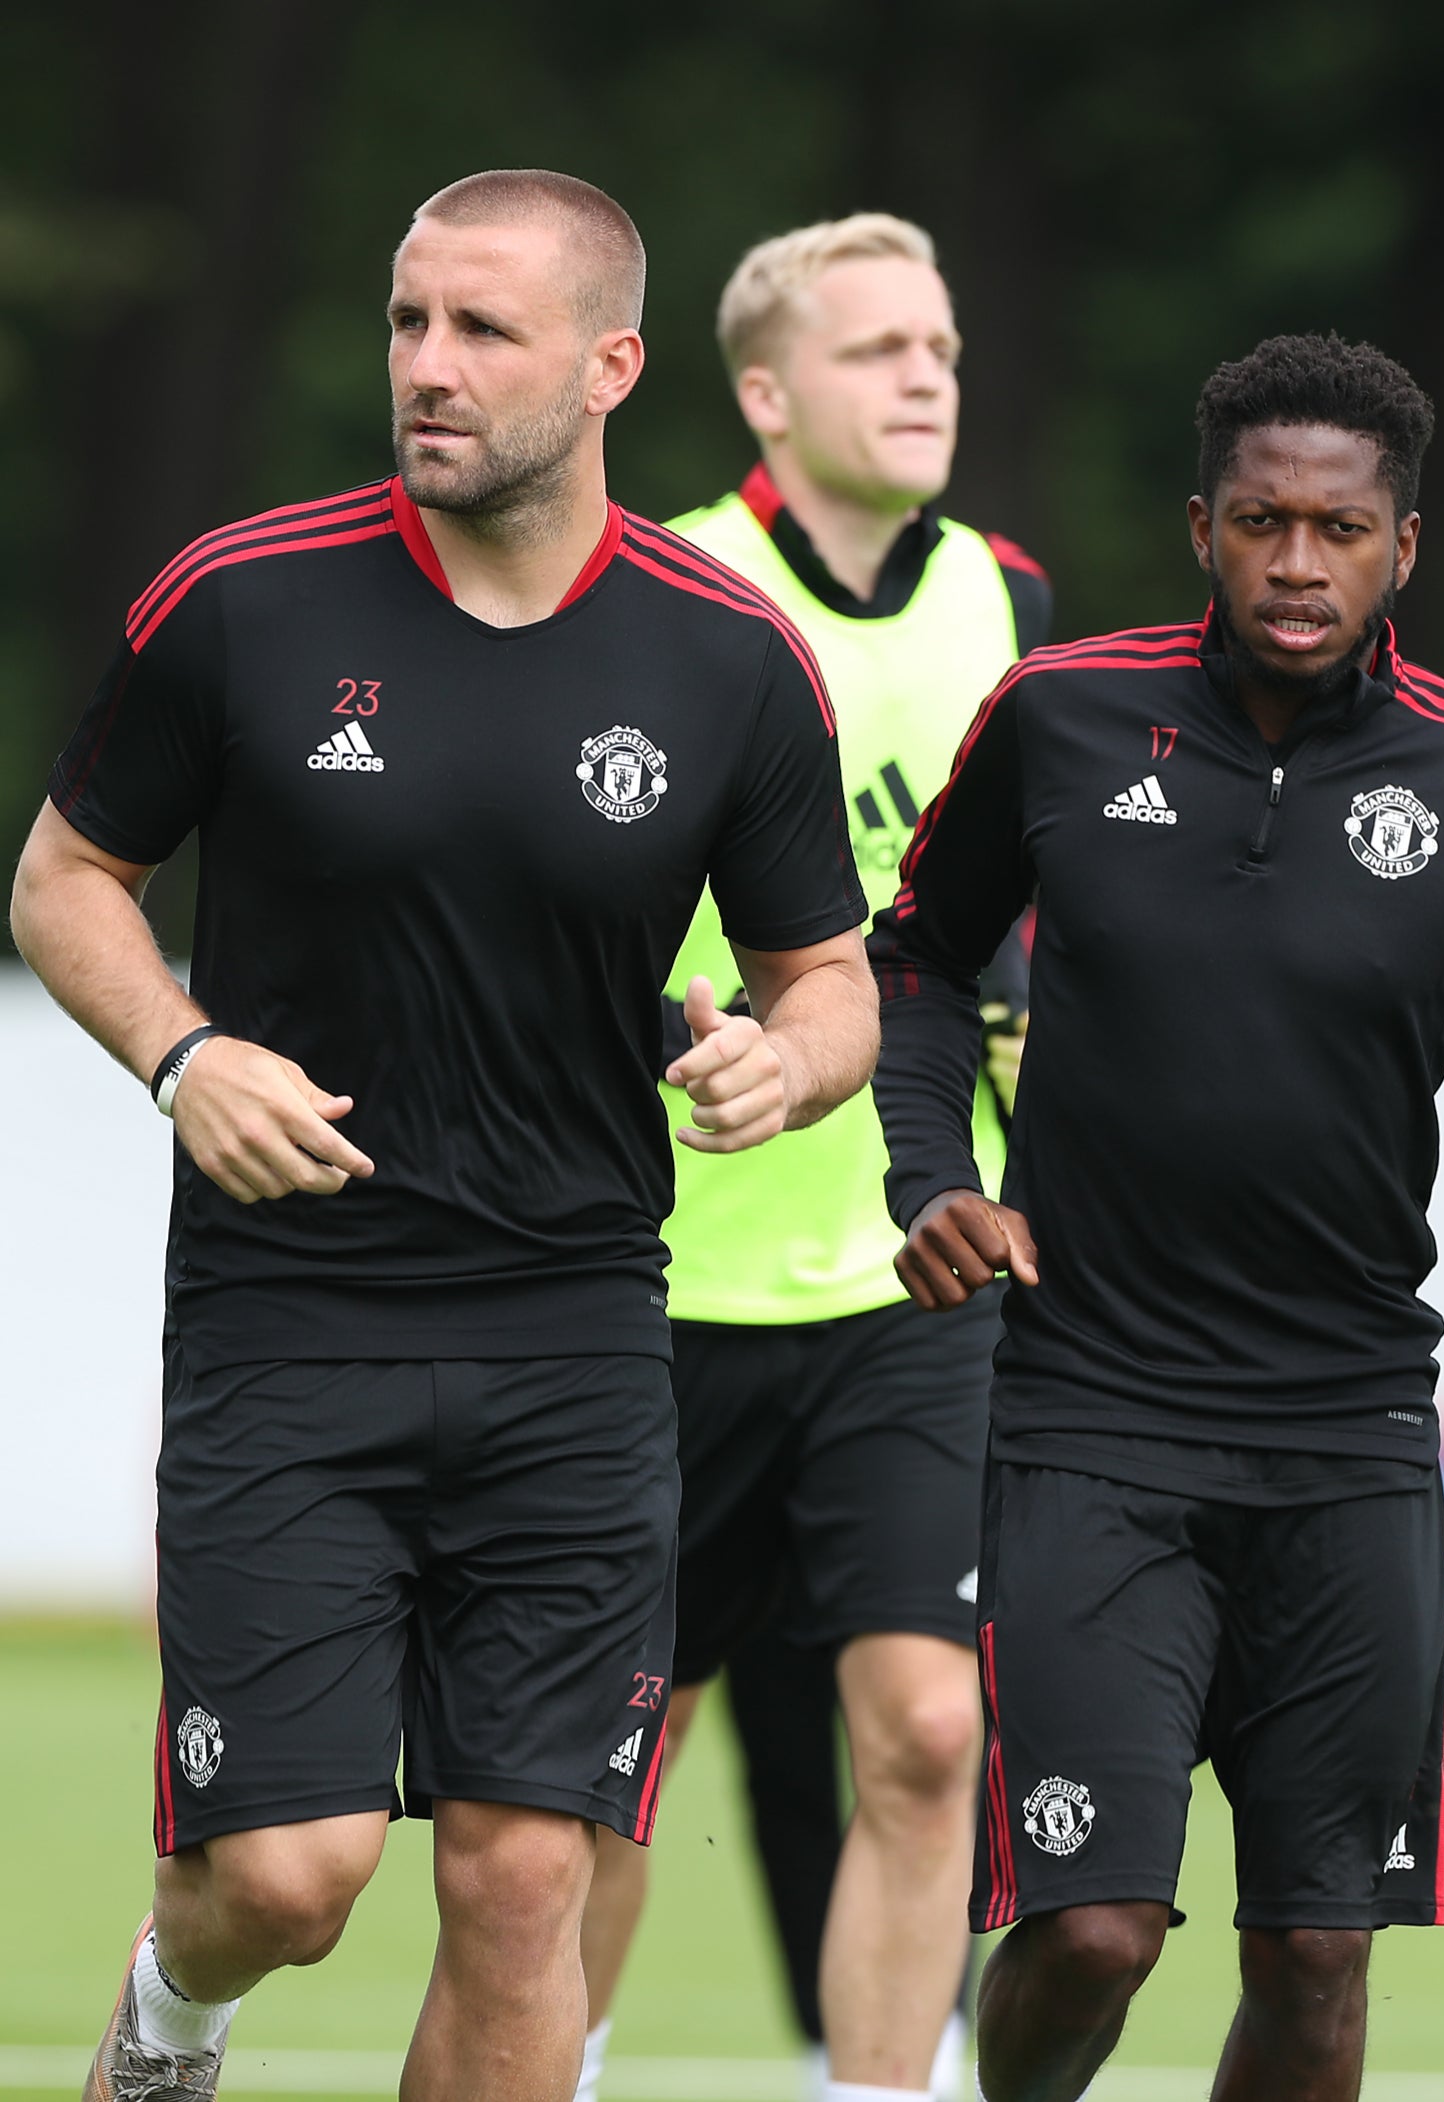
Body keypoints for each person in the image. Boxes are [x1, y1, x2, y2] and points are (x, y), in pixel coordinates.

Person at [9, 169, 877, 2102]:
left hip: (576, 1341)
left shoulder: (726, 655)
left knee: (517, 1877)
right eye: (410, 322)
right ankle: (172, 2015)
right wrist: (179, 1053)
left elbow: (833, 980)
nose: (428, 366)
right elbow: (64, 879)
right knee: (293, 1877)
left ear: (610, 363)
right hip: (285, 1330)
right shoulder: (241, 599)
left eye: (483, 330)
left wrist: (786, 1066)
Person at [871, 332, 1444, 2102]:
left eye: (1340, 529)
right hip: (1088, 1412)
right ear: (1201, 528)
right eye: (1261, 521)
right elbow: (914, 957)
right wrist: (932, 1178)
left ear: (1405, 548)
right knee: (1092, 1929)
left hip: (1348, 1429)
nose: (1298, 563)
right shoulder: (1064, 712)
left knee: (1315, 1953)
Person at [568, 212, 1048, 2102]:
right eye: (876, 351)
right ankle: (559, 2063)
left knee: (930, 1732)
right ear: (766, 394)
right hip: (651, 1276)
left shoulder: (1007, 594)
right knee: (610, 1761)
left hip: (902, 1273)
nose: (926, 374)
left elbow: (1020, 888)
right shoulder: (665, 584)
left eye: (938, 344)